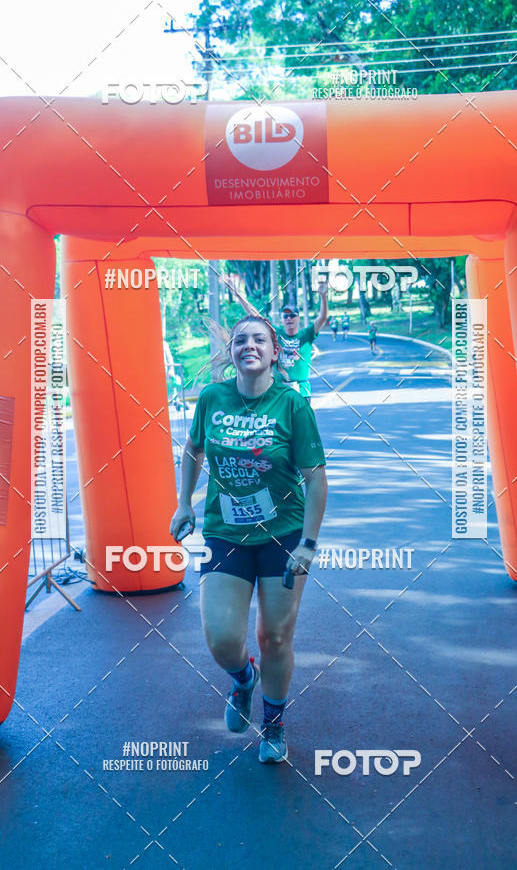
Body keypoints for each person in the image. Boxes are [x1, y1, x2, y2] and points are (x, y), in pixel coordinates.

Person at [170, 315, 328, 764]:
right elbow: (193, 449)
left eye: (259, 339)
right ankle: (243, 679)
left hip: (283, 535)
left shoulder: (292, 405)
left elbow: (316, 479)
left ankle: (273, 724)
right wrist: (183, 504)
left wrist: (308, 543)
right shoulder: (212, 398)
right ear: (232, 352)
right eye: (240, 340)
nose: (249, 346)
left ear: (275, 352)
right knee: (221, 638)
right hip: (227, 533)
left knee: (274, 636)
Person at [224, 276, 328, 401]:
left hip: (302, 392)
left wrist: (323, 296)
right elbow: (255, 314)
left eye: (292, 315)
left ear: (298, 319)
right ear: (282, 320)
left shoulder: (306, 334)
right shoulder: (276, 333)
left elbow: (322, 318)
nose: (289, 319)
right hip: (279, 390)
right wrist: (237, 294)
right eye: (286, 316)